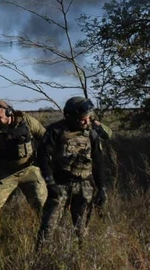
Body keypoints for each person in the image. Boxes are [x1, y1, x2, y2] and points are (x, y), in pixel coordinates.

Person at [35, 96, 109, 248]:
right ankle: (40, 259)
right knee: (48, 227)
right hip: (60, 185)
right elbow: (42, 157)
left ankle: (81, 257)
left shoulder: (92, 134)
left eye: (88, 118)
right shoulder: (55, 131)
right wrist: (50, 182)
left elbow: (98, 162)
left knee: (82, 230)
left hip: (84, 186)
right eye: (83, 119)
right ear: (72, 117)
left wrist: (102, 187)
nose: (87, 122)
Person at [0, 99, 49, 224]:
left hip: (30, 170)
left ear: (9, 112)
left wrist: (45, 161)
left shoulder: (27, 121)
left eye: (0, 117)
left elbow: (46, 138)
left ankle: (47, 237)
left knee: (43, 206)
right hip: (6, 172)